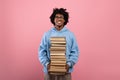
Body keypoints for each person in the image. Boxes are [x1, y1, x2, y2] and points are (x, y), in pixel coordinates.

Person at [38, 8, 79, 80]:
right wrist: (47, 64)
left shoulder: (70, 35)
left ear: (64, 20)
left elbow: (75, 52)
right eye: (56, 17)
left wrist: (69, 64)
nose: (59, 19)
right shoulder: (47, 34)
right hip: (49, 72)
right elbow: (41, 52)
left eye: (61, 17)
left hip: (65, 72)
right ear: (53, 19)